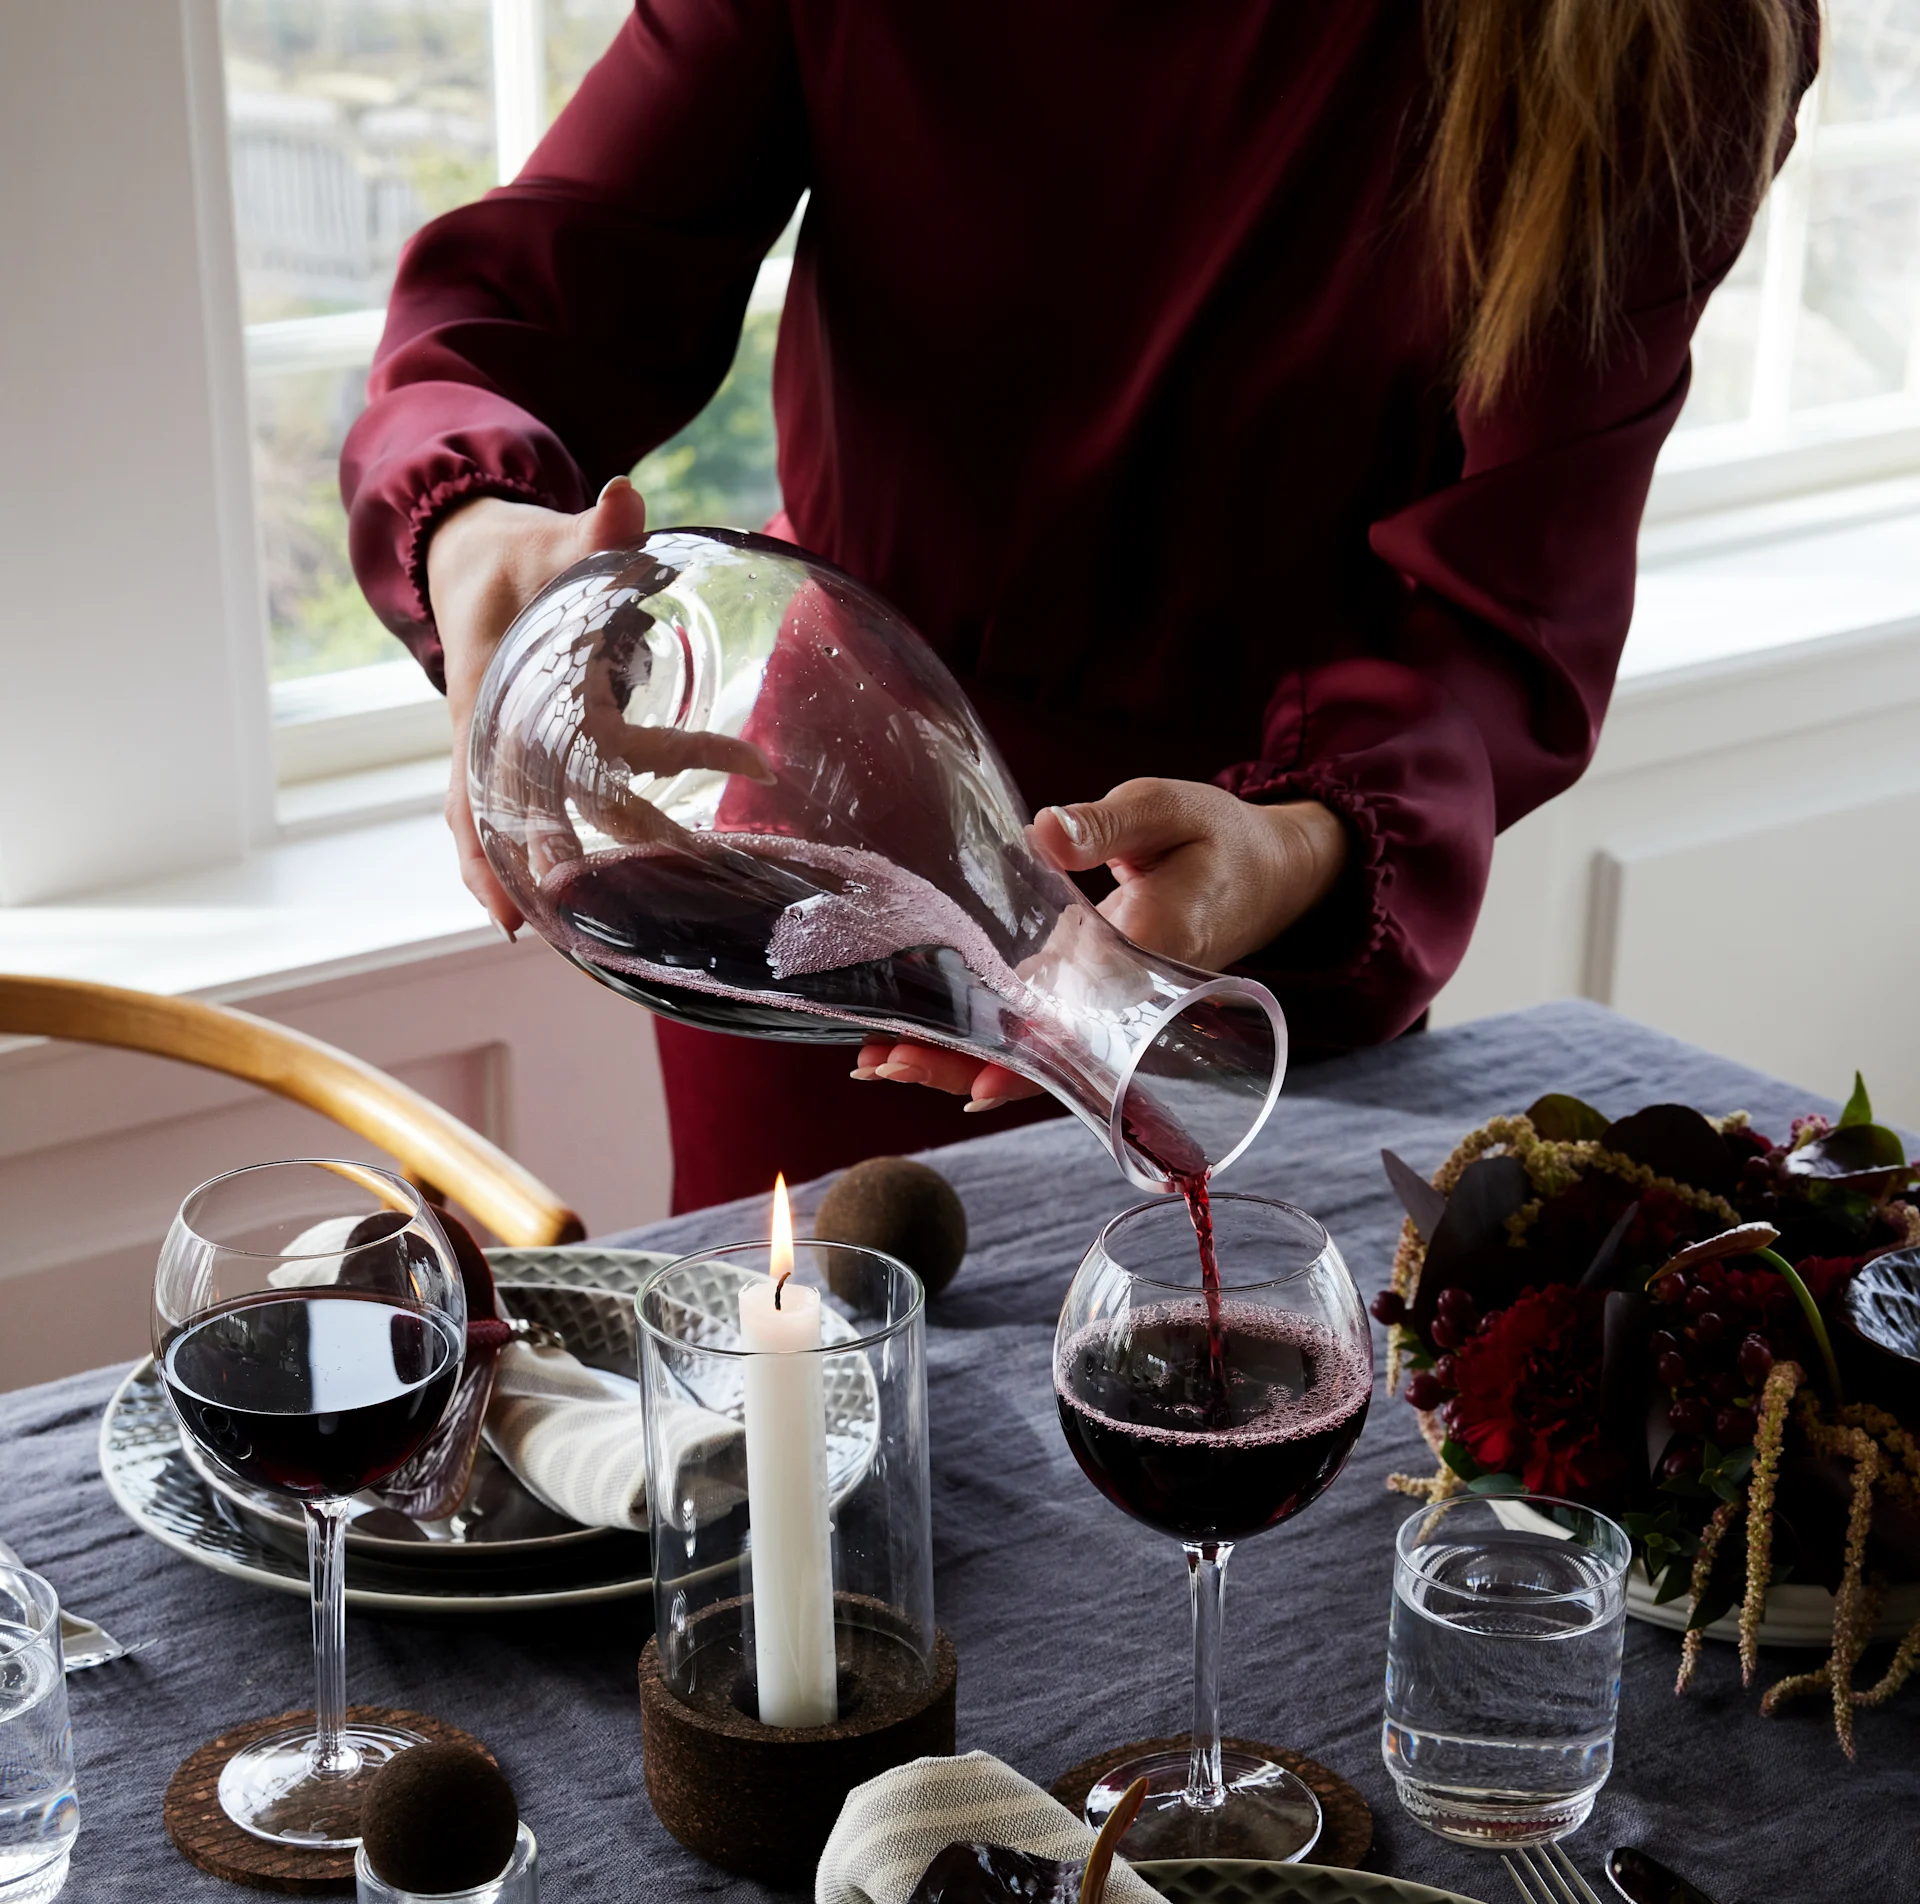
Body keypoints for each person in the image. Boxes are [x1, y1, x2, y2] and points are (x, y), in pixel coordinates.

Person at [344, 0, 1813, 1211]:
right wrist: (472, 530)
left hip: (1251, 933)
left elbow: (1507, 622)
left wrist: (1294, 844)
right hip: (830, 886)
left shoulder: (1663, 35)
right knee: (802, 1494)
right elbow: (535, 294)